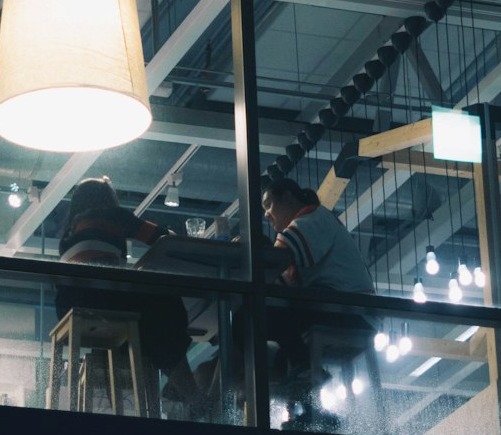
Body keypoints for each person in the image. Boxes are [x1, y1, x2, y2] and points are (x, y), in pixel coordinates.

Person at [54, 176, 207, 416]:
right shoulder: (115, 216)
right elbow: (164, 239)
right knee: (165, 305)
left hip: (68, 306)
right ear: (108, 199)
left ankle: (177, 380)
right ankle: (186, 389)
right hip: (101, 298)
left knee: (148, 319)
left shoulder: (69, 233)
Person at [233, 176, 375, 419]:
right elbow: (281, 277)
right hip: (339, 307)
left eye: (269, 205)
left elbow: (277, 260)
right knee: (263, 322)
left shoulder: (312, 219)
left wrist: (247, 253)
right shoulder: (313, 223)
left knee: (250, 318)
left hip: (348, 310)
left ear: (288, 197)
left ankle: (302, 376)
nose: (267, 214)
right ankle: (307, 400)